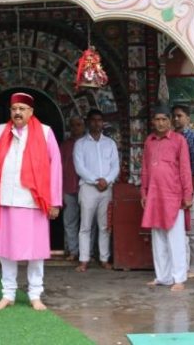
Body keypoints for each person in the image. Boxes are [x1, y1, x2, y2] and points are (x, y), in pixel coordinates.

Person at [0, 91, 62, 311]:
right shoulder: (1, 131)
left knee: (35, 252)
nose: (17, 113)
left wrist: (54, 201)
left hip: (34, 201)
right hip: (6, 200)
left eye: (22, 109)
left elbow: (55, 167)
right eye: (14, 109)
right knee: (6, 252)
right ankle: (7, 294)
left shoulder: (46, 133)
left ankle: (35, 294)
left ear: (31, 111)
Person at [141, 107, 193, 291]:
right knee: (158, 237)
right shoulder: (149, 141)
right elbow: (145, 169)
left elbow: (185, 169)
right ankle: (163, 276)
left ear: (170, 121)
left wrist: (188, 194)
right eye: (157, 119)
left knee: (175, 238)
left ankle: (179, 278)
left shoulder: (179, 141)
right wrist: (144, 193)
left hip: (173, 194)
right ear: (153, 122)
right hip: (154, 195)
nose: (160, 123)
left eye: (164, 119)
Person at [74, 109, 119, 272]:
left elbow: (115, 166)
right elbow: (79, 167)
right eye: (93, 120)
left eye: (99, 120)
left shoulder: (110, 143)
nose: (96, 123)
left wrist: (106, 180)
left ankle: (104, 258)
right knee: (85, 226)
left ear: (103, 123)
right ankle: (84, 260)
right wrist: (95, 180)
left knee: (105, 226)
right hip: (88, 188)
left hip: (106, 188)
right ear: (88, 122)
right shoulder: (80, 144)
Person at [171, 104, 194, 278]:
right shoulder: (171, 138)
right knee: (180, 230)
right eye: (174, 116)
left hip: (190, 191)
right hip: (174, 191)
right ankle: (182, 266)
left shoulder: (193, 139)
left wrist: (190, 193)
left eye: (180, 116)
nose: (176, 119)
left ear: (188, 118)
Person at [60, 116, 85, 262]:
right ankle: (74, 251)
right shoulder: (65, 145)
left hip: (87, 187)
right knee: (70, 220)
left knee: (88, 222)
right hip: (69, 186)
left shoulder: (88, 143)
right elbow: (59, 168)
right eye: (73, 125)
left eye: (79, 124)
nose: (76, 128)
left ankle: (87, 252)